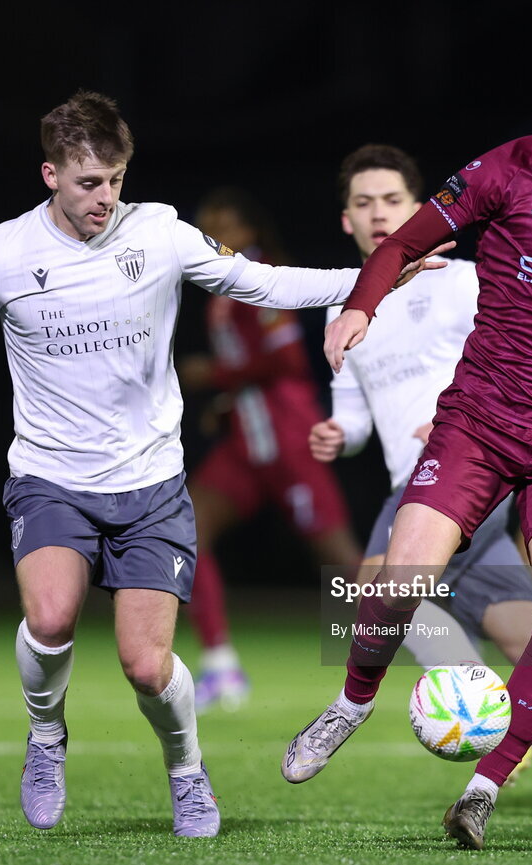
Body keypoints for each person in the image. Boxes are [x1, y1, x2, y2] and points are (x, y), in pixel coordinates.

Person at [0, 90, 443, 839]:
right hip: (51, 476)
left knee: (146, 667)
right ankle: (47, 737)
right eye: (90, 182)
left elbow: (267, 283)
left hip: (151, 483)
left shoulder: (158, 233)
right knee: (51, 616)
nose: (106, 197)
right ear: (50, 173)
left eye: (117, 179)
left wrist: (372, 281)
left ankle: (186, 767)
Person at [282, 37, 532, 850]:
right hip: (476, 423)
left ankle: (481, 788)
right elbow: (403, 241)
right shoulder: (504, 170)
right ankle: (352, 703)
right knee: (399, 582)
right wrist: (361, 305)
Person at [180, 188, 362, 712]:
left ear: (249, 233)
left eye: (222, 227)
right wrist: (227, 401)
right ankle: (220, 666)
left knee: (342, 560)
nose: (210, 237)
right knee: (188, 529)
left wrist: (214, 375)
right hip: (246, 444)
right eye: (204, 227)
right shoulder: (221, 287)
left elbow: (285, 361)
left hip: (287, 440)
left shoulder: (261, 278)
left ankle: (443, 646)